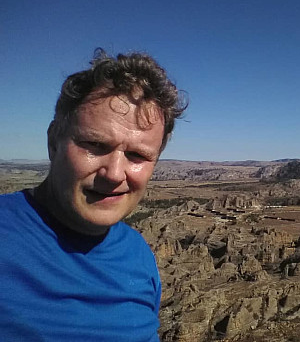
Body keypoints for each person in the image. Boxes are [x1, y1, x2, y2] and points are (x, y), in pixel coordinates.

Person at [0, 49, 186, 341]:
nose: (113, 174)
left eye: (137, 155)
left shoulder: (139, 256)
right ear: (54, 141)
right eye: (95, 145)